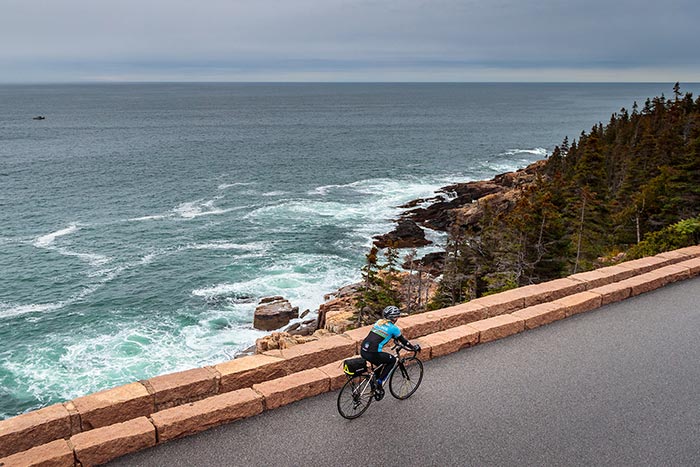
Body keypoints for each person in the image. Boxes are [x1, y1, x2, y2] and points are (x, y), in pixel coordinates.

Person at [360, 305, 420, 399]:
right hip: (373, 353)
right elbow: (404, 341)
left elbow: (381, 334)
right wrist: (413, 348)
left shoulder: (379, 322)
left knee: (380, 363)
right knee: (392, 360)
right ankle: (379, 382)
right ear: (395, 318)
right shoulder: (394, 328)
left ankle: (374, 383)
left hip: (363, 350)